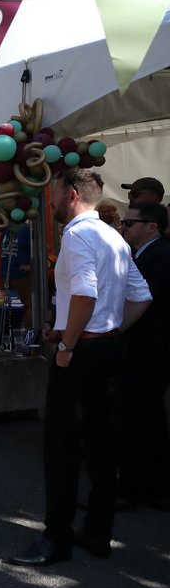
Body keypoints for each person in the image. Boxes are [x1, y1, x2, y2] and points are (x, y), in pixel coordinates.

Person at [9, 169, 151, 567]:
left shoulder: (75, 234)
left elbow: (86, 294)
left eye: (53, 194)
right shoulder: (112, 235)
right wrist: (108, 330)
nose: (50, 202)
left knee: (62, 447)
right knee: (102, 446)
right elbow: (141, 296)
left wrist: (71, 343)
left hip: (84, 353)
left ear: (71, 194)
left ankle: (56, 539)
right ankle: (97, 532)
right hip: (106, 348)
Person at [117, 202, 170, 509]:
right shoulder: (144, 254)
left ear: (151, 227)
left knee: (136, 420)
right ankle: (152, 487)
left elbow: (139, 297)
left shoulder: (160, 256)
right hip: (144, 351)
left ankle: (133, 488)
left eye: (130, 222)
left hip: (149, 352)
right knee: (146, 421)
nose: (124, 227)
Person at [0, 222, 33, 328]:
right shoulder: (6, 230)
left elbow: (41, 248)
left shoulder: (27, 230)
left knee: (25, 305)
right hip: (6, 276)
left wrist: (32, 266)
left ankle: (25, 333)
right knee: (7, 307)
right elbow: (1, 248)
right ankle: (12, 332)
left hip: (21, 277)